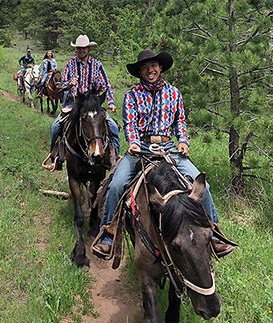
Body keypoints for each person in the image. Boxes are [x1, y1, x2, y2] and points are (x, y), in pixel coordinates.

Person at [93, 49, 235, 257]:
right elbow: (130, 124)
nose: (150, 70)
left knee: (203, 186)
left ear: (160, 68)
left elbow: (180, 123)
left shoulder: (173, 93)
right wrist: (132, 143)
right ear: (140, 72)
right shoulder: (132, 95)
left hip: (169, 148)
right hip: (140, 148)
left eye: (153, 66)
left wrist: (184, 142)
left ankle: (213, 233)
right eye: (145, 67)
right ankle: (108, 234)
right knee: (116, 184)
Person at [42, 35, 120, 171]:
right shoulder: (70, 64)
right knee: (55, 127)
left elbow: (106, 85)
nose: (81, 50)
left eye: (83, 48)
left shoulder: (97, 65)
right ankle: (55, 158)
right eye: (79, 48)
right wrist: (69, 83)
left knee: (113, 126)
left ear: (88, 48)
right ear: (76, 49)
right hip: (74, 102)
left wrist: (111, 102)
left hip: (93, 104)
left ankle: (115, 159)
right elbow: (61, 85)